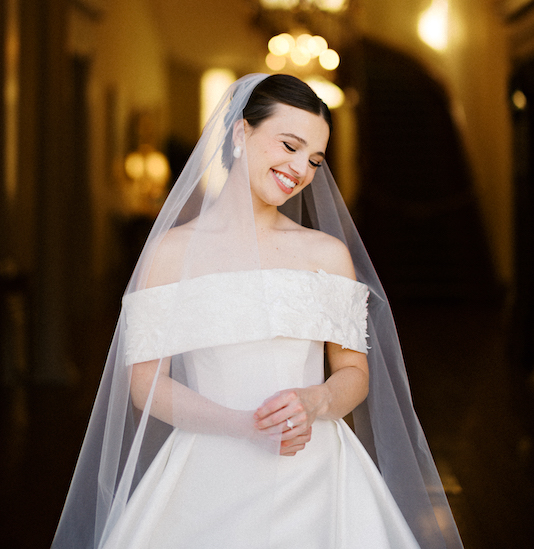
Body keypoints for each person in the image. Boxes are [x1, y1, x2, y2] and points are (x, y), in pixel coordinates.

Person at [52, 73, 463, 549]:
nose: (301, 169)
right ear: (239, 133)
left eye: (314, 159)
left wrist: (317, 403)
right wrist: (245, 425)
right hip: (205, 473)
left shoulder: (327, 254)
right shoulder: (169, 253)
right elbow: (145, 382)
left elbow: (352, 370)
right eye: (289, 145)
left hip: (315, 470)